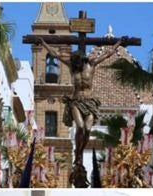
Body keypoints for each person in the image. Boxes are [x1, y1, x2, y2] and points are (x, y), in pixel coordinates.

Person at [37, 37, 125, 185]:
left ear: (82, 60)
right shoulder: (73, 68)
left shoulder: (91, 64)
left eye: (77, 60)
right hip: (76, 102)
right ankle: (78, 154)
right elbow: (56, 55)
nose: (75, 63)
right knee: (81, 127)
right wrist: (44, 43)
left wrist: (119, 43)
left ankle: (79, 152)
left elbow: (108, 53)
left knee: (88, 130)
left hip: (90, 103)